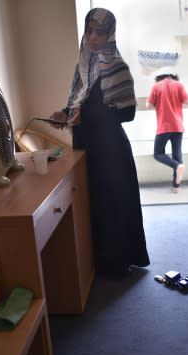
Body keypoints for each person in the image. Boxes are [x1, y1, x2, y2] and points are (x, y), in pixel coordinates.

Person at [49, 8, 149, 276]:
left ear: (110, 35)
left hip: (110, 151)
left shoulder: (116, 66)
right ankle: (99, 263)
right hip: (86, 147)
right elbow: (80, 105)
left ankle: (116, 265)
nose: (93, 37)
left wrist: (85, 117)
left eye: (100, 32)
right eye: (89, 30)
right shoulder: (83, 66)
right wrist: (65, 113)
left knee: (111, 206)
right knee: (93, 205)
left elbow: (127, 113)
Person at [146, 74, 188, 193]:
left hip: (164, 126)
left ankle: (177, 166)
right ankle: (176, 187)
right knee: (177, 155)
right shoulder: (179, 85)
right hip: (178, 125)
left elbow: (148, 105)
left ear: (160, 78)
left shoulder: (156, 86)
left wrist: (160, 103)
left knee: (158, 153)